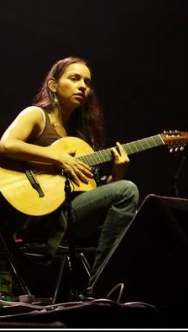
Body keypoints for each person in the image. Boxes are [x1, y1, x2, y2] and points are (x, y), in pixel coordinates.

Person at [0, 56, 140, 299]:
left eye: (87, 81)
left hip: (66, 214)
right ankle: (101, 286)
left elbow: (93, 194)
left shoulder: (80, 138)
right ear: (54, 85)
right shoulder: (36, 115)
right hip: (36, 215)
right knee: (128, 191)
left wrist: (117, 174)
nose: (83, 86)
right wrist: (58, 158)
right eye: (75, 78)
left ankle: (111, 283)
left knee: (132, 204)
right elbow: (6, 145)